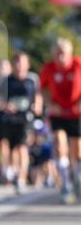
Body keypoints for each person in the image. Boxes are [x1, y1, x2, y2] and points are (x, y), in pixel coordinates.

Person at [39, 38, 81, 203]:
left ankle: (77, 176)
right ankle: (65, 183)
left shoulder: (78, 65)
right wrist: (49, 104)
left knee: (77, 150)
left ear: (70, 53)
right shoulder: (48, 68)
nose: (60, 56)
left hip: (76, 113)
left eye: (63, 53)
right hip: (58, 113)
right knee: (59, 143)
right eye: (57, 53)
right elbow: (42, 88)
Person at [0, 51, 41, 194]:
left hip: (25, 118)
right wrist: (6, 106)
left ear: (27, 65)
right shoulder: (6, 80)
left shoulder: (32, 79)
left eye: (22, 63)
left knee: (22, 147)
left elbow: (38, 95)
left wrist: (38, 107)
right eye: (16, 63)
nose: (19, 66)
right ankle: (12, 171)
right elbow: (0, 99)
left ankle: (21, 178)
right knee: (10, 148)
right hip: (9, 119)